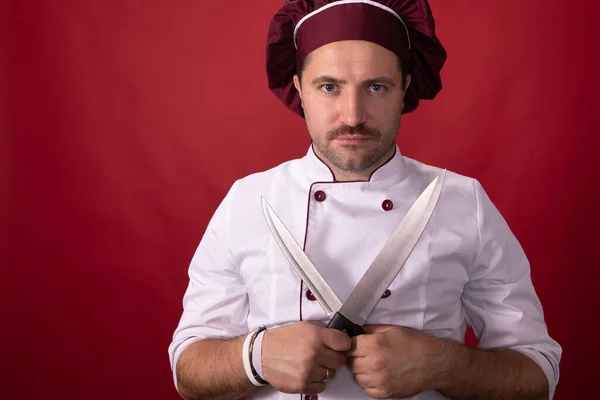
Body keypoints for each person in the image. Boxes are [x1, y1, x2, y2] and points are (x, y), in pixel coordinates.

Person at [168, 0, 562, 399]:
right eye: (329, 87)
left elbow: (537, 375)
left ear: (404, 88)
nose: (353, 115)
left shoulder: (463, 201)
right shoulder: (249, 200)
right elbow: (188, 374)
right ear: (300, 89)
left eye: (376, 87)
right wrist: (256, 357)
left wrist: (441, 364)